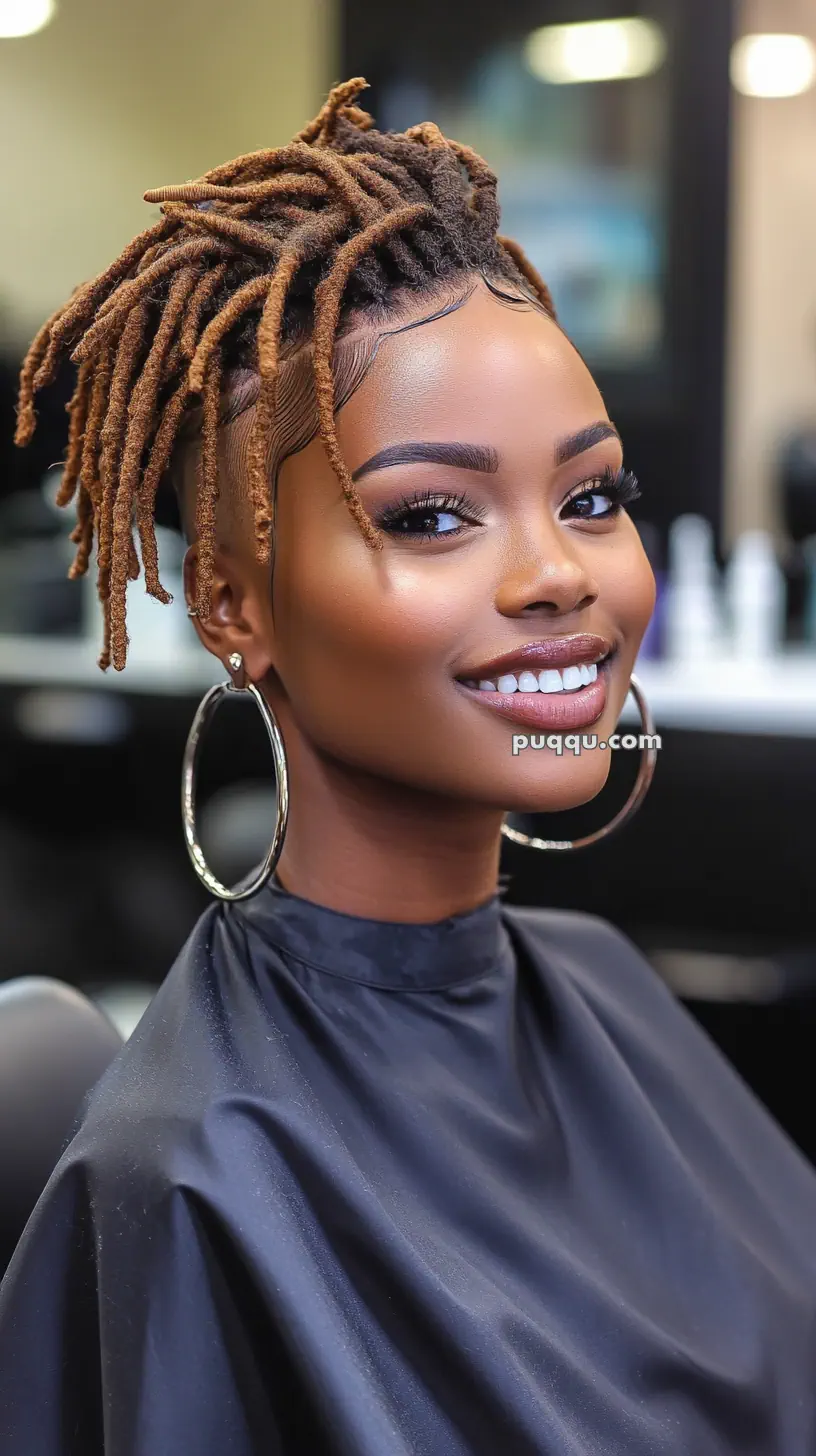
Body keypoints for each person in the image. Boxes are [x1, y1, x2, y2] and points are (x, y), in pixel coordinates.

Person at [1, 78, 814, 1456]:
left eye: (592, 495)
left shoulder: (616, 998)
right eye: (433, 515)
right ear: (230, 606)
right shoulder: (198, 1180)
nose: (558, 573)